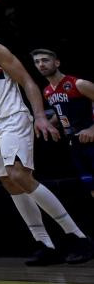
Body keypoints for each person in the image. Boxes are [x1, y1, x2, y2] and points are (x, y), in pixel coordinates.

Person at [0, 13, 93, 265]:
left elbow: (28, 82)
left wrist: (40, 116)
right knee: (8, 182)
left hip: (11, 117)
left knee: (18, 174)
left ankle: (77, 236)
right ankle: (45, 243)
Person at [35, 48, 94, 199]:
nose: (41, 64)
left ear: (57, 62)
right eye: (37, 62)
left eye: (45, 60)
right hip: (74, 142)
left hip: (91, 139)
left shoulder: (78, 84)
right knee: (89, 184)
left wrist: (92, 129)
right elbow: (60, 111)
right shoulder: (47, 91)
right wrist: (49, 124)